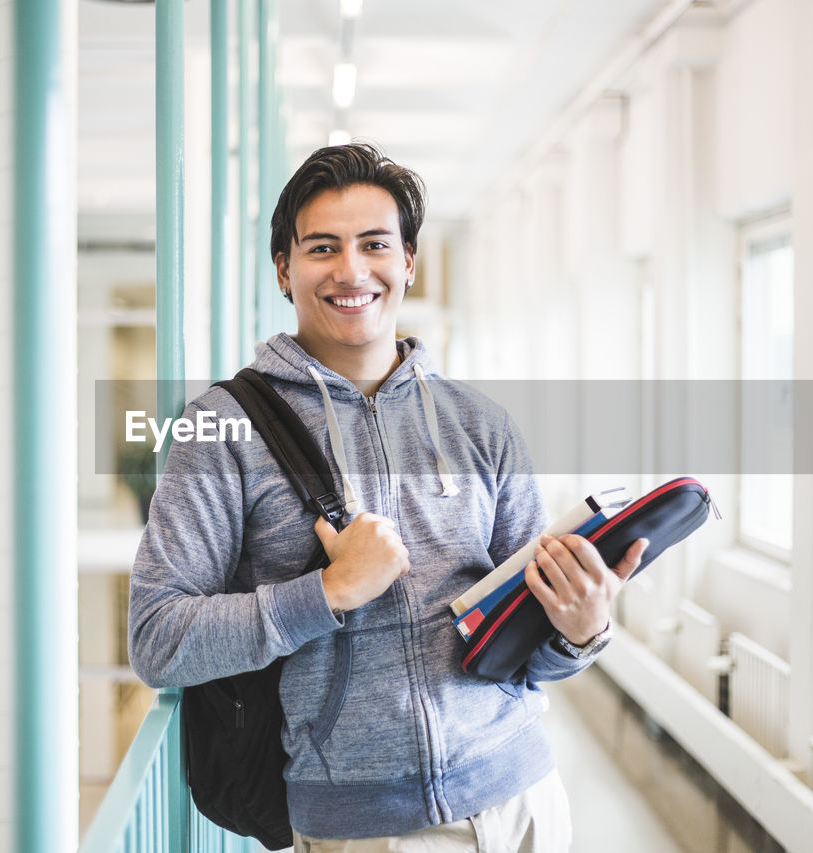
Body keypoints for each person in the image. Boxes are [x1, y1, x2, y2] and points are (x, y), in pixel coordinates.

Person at [128, 142, 646, 852]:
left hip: (524, 797)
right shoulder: (221, 431)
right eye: (321, 248)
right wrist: (329, 590)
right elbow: (158, 638)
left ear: (407, 262)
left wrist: (580, 629)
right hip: (367, 829)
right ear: (284, 269)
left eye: (375, 244)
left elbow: (529, 647)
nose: (351, 270)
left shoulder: (481, 424)